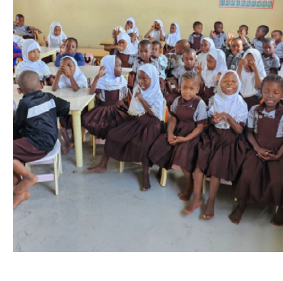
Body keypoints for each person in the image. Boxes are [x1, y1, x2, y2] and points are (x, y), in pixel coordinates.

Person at [230, 75, 283, 226]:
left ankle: (282, 208)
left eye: (275, 92)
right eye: (266, 91)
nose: (270, 96)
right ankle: (241, 205)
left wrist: (278, 155)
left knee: (281, 179)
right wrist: (257, 148)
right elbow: (248, 133)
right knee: (246, 174)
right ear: (261, 92)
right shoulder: (254, 110)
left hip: (277, 151)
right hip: (256, 148)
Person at [88, 65, 165, 192]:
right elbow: (134, 110)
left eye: (145, 79)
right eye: (139, 78)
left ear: (153, 79)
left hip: (152, 124)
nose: (141, 82)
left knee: (144, 144)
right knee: (112, 134)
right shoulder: (138, 89)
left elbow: (154, 114)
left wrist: (142, 100)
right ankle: (102, 165)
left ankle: (145, 175)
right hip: (138, 121)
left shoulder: (157, 95)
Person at [186, 70, 249, 220]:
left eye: (233, 81)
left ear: (239, 84)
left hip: (230, 140)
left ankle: (211, 201)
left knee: (216, 169)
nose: (229, 84)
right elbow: (210, 121)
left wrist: (227, 117)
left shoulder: (240, 103)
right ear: (220, 83)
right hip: (213, 136)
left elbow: (239, 130)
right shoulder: (214, 99)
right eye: (225, 81)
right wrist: (215, 119)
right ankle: (196, 197)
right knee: (200, 163)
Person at [12, 71, 70, 209]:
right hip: (51, 141)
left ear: (19, 90)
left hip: (36, 144)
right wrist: (56, 114)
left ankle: (28, 177)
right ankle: (20, 192)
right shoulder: (49, 97)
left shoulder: (24, 103)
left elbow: (17, 126)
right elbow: (66, 106)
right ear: (42, 85)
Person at [147, 71, 208, 201]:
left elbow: (199, 128)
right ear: (180, 87)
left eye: (191, 88)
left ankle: (190, 184)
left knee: (183, 154)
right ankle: (163, 167)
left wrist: (184, 139)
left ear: (197, 89)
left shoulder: (200, 104)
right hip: (178, 130)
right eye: (185, 87)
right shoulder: (177, 101)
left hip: (192, 136)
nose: (187, 91)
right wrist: (170, 134)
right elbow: (173, 120)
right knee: (161, 145)